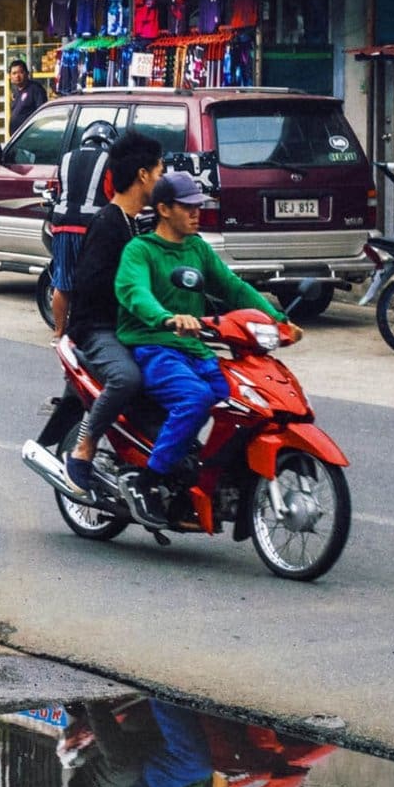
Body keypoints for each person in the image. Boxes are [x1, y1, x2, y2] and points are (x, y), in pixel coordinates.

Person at [112, 171, 298, 528]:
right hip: (153, 347)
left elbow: (234, 288)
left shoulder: (197, 248)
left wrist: (278, 319)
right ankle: (148, 482)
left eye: (200, 206)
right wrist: (167, 318)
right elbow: (135, 293)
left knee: (243, 400)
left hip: (194, 350)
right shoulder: (141, 250)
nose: (197, 213)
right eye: (188, 207)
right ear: (164, 209)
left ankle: (212, 476)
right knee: (195, 399)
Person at [62, 131, 164, 494]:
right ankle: (84, 449)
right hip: (97, 329)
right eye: (159, 171)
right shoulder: (108, 223)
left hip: (133, 328)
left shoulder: (144, 222)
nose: (162, 178)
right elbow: (88, 288)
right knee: (126, 378)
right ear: (142, 176)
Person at [45, 120, 119, 339]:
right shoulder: (110, 161)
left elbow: (60, 190)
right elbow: (112, 194)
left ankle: (59, 333)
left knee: (62, 282)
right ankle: (88, 332)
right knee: (91, 282)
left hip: (62, 226)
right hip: (92, 230)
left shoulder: (67, 157)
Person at [7, 59, 47, 137]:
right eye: (14, 73)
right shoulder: (16, 92)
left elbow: (42, 114)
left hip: (30, 137)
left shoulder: (35, 89)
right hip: (16, 138)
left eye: (20, 72)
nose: (17, 76)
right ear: (10, 76)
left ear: (27, 73)